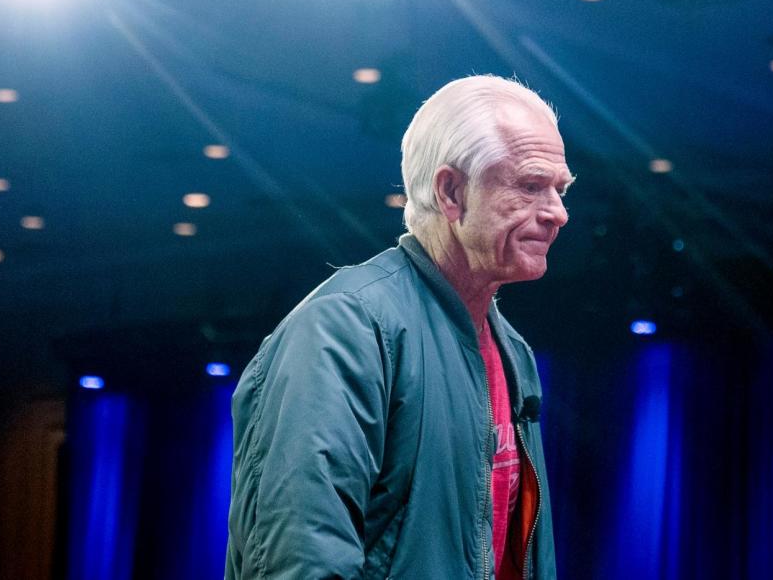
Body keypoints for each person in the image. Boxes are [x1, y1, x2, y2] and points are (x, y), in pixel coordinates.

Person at [226, 75, 573, 580]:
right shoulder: (345, 328)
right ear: (451, 192)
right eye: (530, 186)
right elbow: (301, 561)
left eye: (560, 190)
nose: (558, 213)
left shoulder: (510, 350)